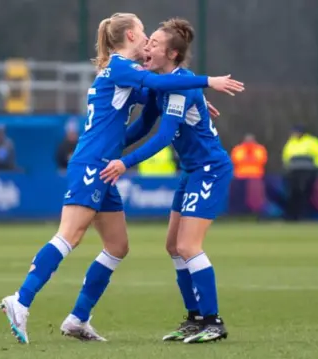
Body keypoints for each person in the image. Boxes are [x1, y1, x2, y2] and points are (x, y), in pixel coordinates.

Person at [0, 12, 244, 344]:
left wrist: (194, 94)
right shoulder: (118, 67)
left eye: (153, 38)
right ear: (130, 36)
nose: (147, 40)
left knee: (117, 246)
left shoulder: (132, 74)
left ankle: (78, 319)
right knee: (69, 235)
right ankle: (21, 300)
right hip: (93, 163)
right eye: (145, 33)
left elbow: (151, 112)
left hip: (105, 163)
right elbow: (158, 87)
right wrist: (205, 81)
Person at [100, 17, 233, 344]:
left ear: (172, 55)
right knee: (173, 246)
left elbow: (162, 137)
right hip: (192, 170)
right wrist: (109, 147)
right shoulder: (162, 85)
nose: (147, 47)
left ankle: (213, 322)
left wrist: (124, 162)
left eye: (155, 44)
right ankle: (195, 318)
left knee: (188, 245)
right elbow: (143, 125)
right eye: (148, 42)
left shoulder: (181, 84)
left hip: (210, 169)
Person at [281, 126, 318, 221]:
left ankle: (304, 215)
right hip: (293, 171)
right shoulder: (291, 142)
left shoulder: (312, 142)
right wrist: (287, 167)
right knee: (293, 193)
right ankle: (292, 216)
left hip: (307, 171)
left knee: (305, 192)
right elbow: (286, 156)